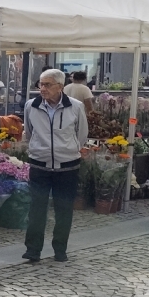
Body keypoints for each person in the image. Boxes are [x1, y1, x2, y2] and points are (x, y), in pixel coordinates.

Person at [21, 69, 90, 262]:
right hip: (39, 164)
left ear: (60, 87)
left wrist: (70, 148)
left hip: (67, 166)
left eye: (47, 85)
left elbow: (82, 133)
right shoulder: (31, 106)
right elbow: (29, 130)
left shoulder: (75, 107)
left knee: (64, 208)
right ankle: (33, 250)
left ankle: (60, 249)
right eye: (41, 84)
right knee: (36, 209)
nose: (42, 89)